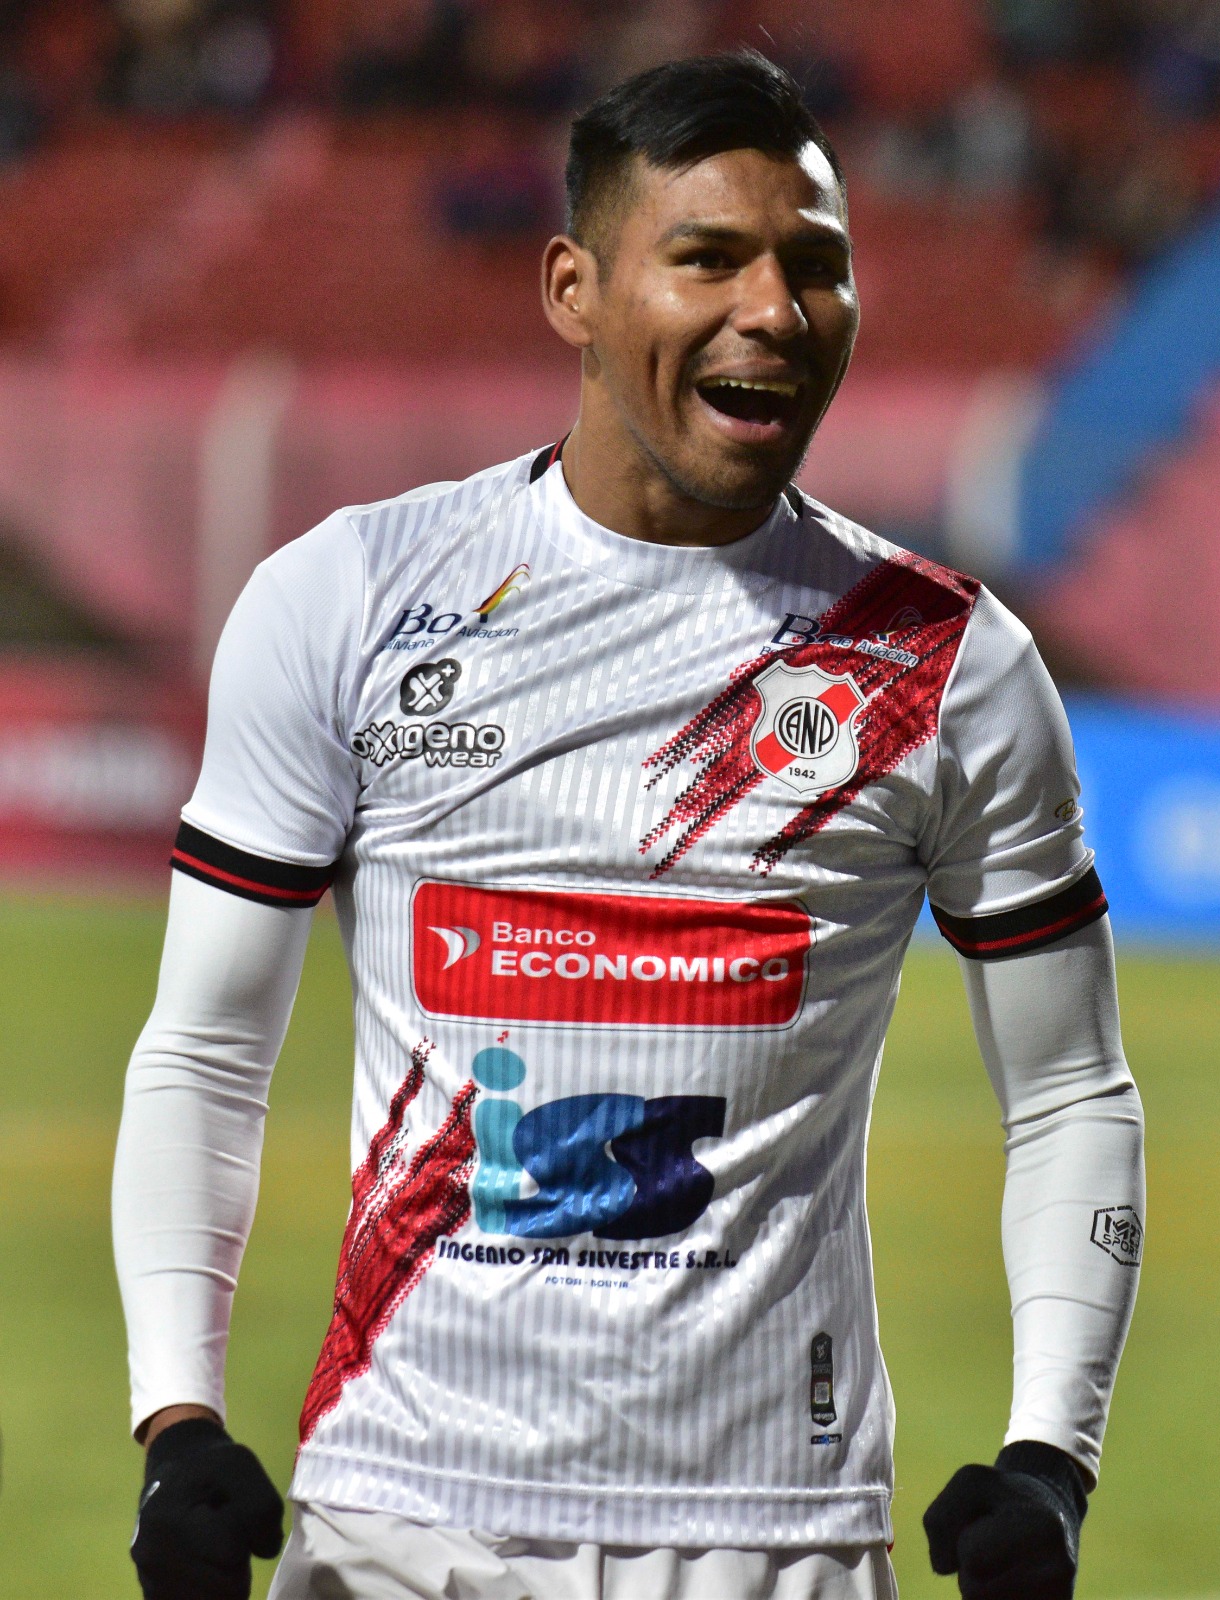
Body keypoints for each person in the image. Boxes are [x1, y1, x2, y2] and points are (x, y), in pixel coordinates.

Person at [112, 49, 1144, 1600]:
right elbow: (205, 1048)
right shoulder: (350, 599)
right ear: (573, 291)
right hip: (400, 1524)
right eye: (709, 258)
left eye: (814, 265)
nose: (773, 311)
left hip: (775, 1541)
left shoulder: (944, 663)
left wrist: (1050, 1456)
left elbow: (1070, 1090)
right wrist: (176, 1421)